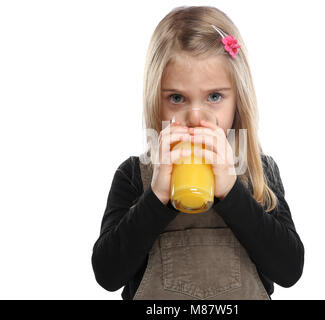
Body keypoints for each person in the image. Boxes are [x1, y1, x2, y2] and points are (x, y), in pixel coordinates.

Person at [91, 5, 304, 300]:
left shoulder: (258, 171)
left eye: (214, 96)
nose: (194, 116)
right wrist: (156, 197)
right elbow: (108, 274)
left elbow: (289, 269)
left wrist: (232, 190)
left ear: (237, 101)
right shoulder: (133, 175)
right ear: (156, 101)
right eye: (176, 98)